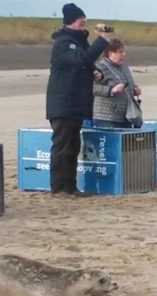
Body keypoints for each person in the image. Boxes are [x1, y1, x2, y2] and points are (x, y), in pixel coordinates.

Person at [46, 3, 110, 197]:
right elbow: (81, 59)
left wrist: (96, 72)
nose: (84, 24)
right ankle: (58, 188)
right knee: (62, 146)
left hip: (76, 103)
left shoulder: (80, 41)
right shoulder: (63, 42)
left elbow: (87, 62)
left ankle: (71, 187)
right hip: (62, 103)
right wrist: (102, 40)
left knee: (73, 147)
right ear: (71, 22)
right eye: (81, 20)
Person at [92, 38, 142, 128]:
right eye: (120, 52)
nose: (124, 54)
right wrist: (111, 90)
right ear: (111, 54)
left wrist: (135, 90)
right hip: (107, 117)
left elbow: (129, 85)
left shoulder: (124, 67)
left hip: (126, 115)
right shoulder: (100, 67)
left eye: (124, 52)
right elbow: (92, 88)